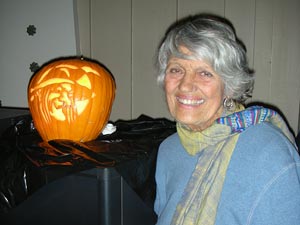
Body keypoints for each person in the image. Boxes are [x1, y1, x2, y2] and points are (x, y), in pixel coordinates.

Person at [154, 14, 300, 225]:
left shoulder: (269, 152)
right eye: (176, 70)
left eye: (204, 73)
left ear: (229, 86)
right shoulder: (169, 150)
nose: (185, 85)